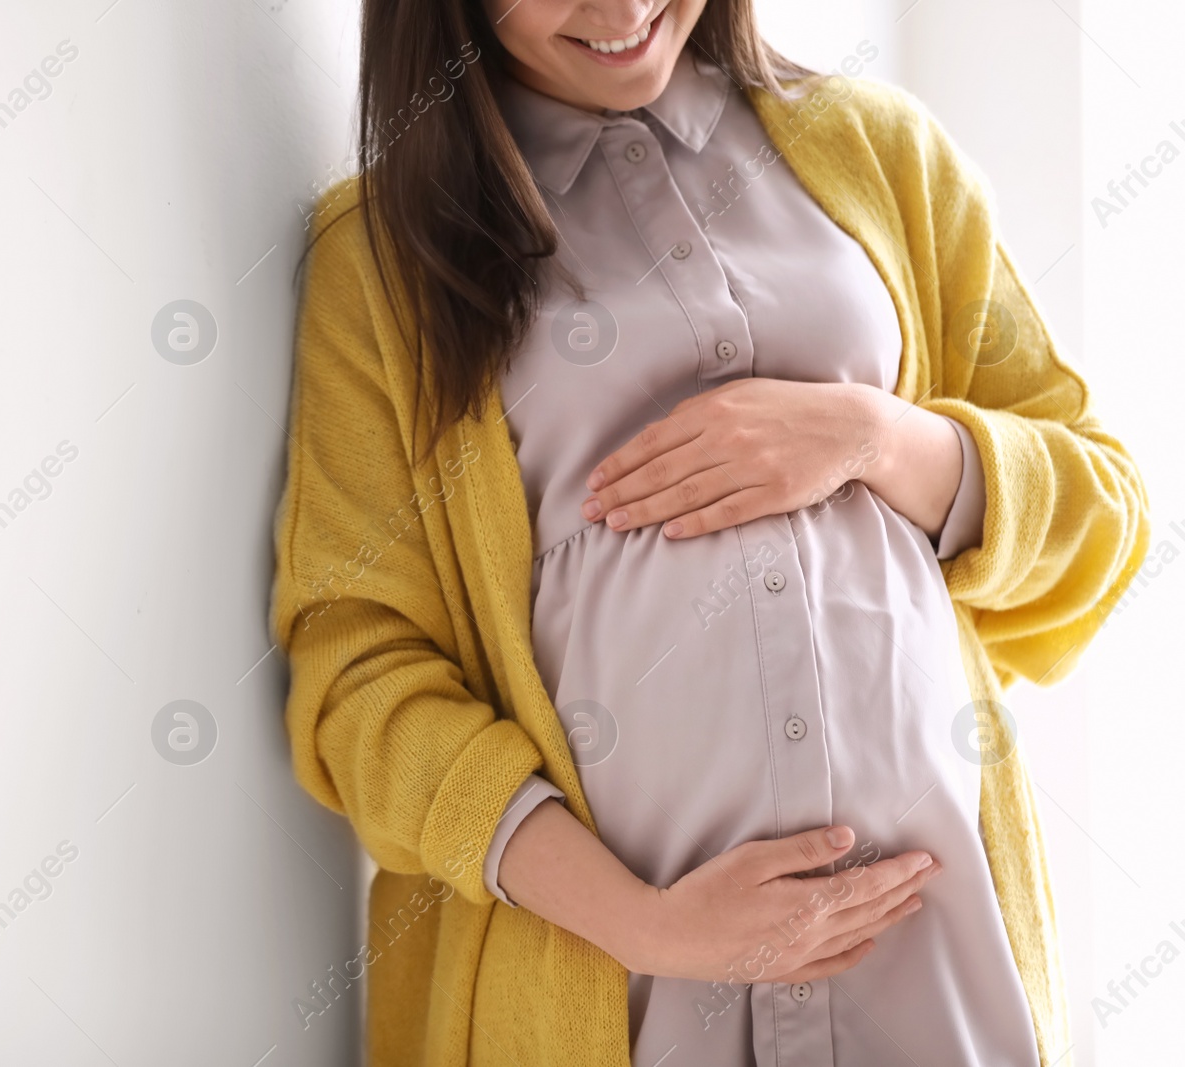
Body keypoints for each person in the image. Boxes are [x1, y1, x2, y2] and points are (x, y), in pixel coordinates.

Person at [270, 1, 1151, 1064]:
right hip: (622, 991)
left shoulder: (882, 154)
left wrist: (872, 435)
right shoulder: (378, 261)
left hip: (930, 966)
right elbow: (357, 673)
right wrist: (649, 923)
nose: (620, 8)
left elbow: (1102, 503)